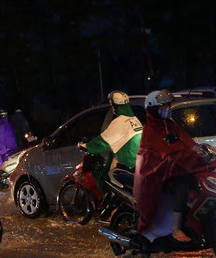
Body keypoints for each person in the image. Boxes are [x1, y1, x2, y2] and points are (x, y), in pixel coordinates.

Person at [133, 89, 209, 242]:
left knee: (199, 183)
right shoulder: (150, 131)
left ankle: (195, 222)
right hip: (158, 177)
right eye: (164, 106)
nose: (168, 109)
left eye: (168, 105)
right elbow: (155, 156)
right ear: (154, 110)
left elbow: (185, 141)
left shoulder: (170, 124)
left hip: (176, 170)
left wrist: (197, 149)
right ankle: (176, 229)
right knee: (181, 189)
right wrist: (172, 158)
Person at [79, 91, 143, 189]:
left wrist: (87, 146)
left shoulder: (119, 121)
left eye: (112, 105)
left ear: (115, 106)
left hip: (129, 162)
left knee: (109, 177)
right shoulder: (134, 119)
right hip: (140, 160)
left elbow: (102, 141)